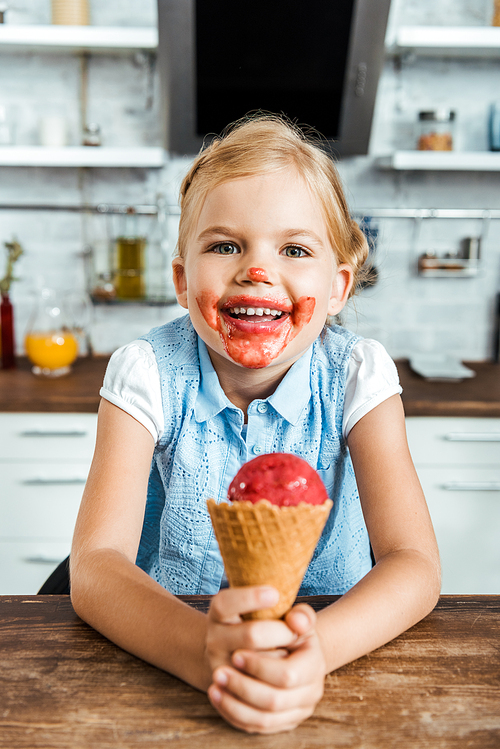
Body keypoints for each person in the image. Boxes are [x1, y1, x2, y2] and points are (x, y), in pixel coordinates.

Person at [70, 114, 440, 735]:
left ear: (337, 287)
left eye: (294, 250)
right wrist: (205, 652)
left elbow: (415, 563)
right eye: (225, 245)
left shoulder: (358, 375)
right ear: (184, 282)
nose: (257, 270)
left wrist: (317, 649)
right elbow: (95, 565)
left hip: (335, 651)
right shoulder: (146, 375)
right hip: (168, 653)